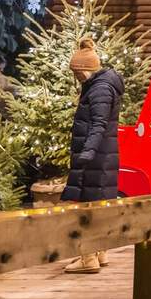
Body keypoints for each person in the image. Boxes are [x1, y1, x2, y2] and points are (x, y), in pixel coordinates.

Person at [62, 37, 125, 274]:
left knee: (87, 208)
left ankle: (88, 257)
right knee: (98, 205)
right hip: (102, 156)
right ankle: (100, 252)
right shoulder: (102, 86)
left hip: (95, 157)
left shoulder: (99, 90)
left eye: (78, 73)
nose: (77, 78)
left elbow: (98, 124)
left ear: (86, 70)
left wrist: (87, 152)